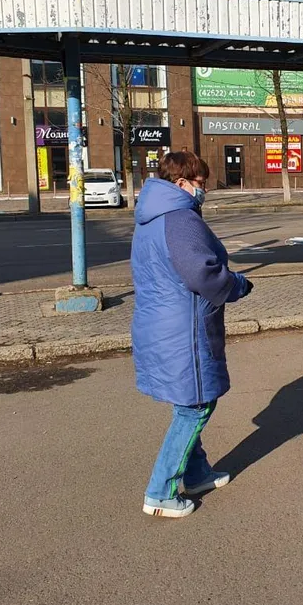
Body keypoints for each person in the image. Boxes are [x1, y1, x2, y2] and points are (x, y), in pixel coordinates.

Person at [131, 151, 253, 518]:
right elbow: (203, 275)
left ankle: (197, 473)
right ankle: (161, 492)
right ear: (180, 183)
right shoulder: (179, 219)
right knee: (196, 407)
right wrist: (237, 284)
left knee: (189, 400)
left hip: (162, 323)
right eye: (200, 183)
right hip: (184, 328)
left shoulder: (151, 217)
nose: (204, 190)